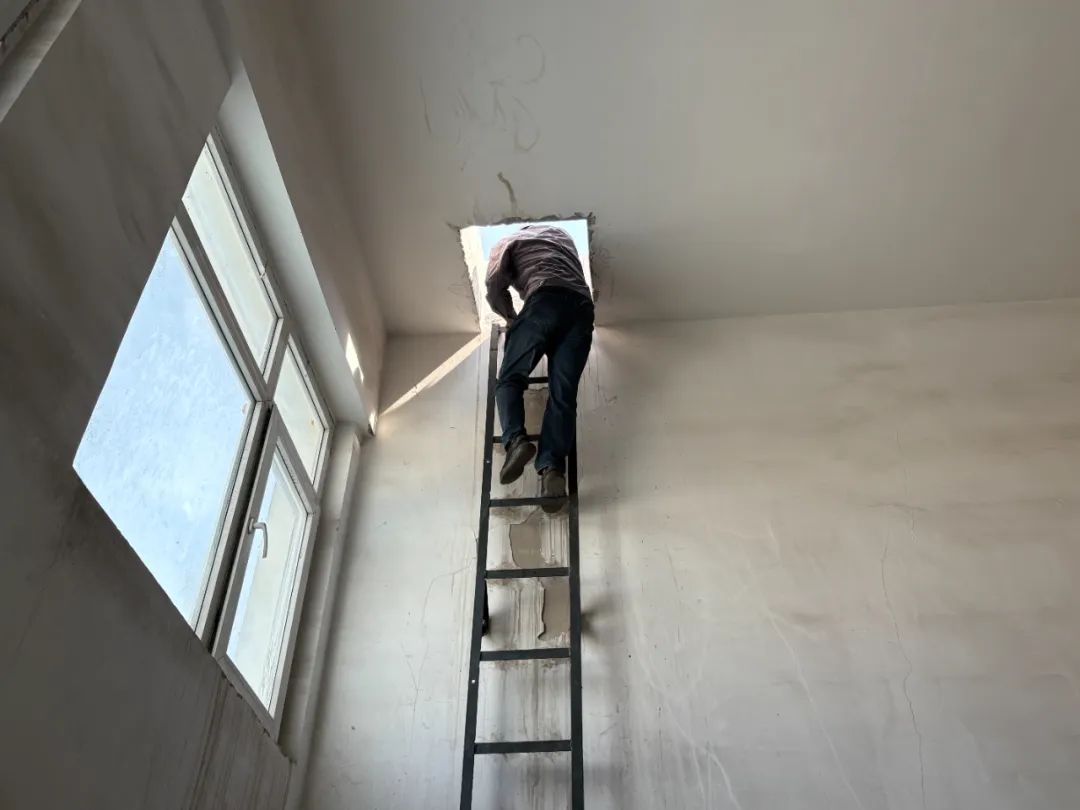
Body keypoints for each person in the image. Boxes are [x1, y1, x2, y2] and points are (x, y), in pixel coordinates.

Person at [486, 224, 594, 511]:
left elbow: (494, 286)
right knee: (563, 395)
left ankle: (515, 442)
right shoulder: (563, 238)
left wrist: (512, 319)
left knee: (510, 379)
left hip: (544, 298)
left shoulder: (510, 240)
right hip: (582, 308)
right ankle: (552, 470)